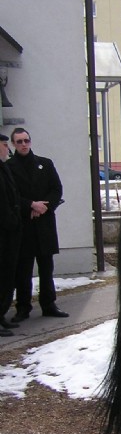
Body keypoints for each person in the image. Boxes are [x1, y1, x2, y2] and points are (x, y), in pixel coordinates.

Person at [7, 127, 69, 321]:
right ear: (13, 144)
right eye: (19, 142)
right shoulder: (9, 167)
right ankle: (23, 307)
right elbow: (11, 195)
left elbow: (56, 189)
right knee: (23, 270)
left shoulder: (45, 164)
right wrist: (30, 205)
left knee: (46, 268)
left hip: (44, 224)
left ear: (30, 141)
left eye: (26, 140)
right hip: (24, 226)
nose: (24, 144)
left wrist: (43, 207)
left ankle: (49, 304)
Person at [0, 132, 21, 336]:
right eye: (5, 144)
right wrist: (11, 221)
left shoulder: (4, 167)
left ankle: (2, 316)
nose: (8, 148)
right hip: (4, 231)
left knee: (7, 276)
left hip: (9, 233)